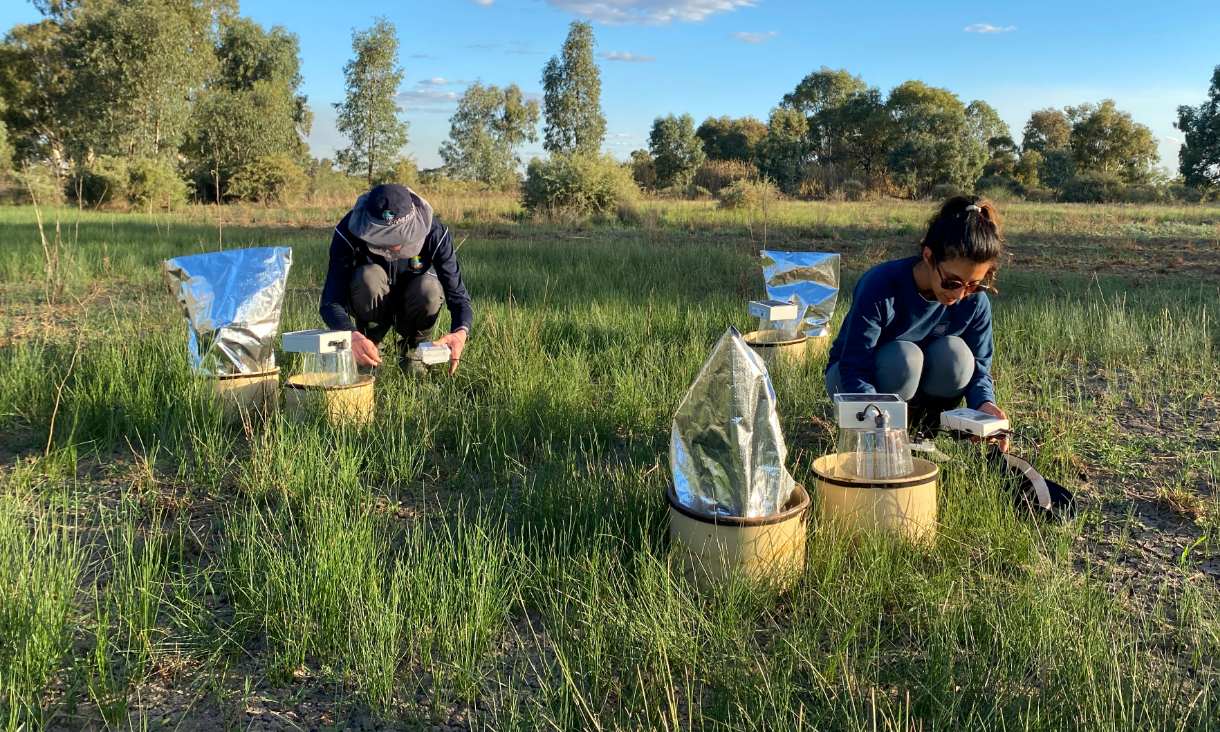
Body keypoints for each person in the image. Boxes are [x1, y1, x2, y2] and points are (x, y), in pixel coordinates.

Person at [825, 195, 1008, 447]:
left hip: (916, 389)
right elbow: (853, 367)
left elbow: (979, 369)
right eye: (952, 282)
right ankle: (882, 433)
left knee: (957, 355)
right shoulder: (880, 286)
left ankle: (922, 431)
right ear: (928, 256)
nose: (959, 294)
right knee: (905, 357)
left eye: (974, 284)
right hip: (852, 380)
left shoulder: (975, 302)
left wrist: (985, 404)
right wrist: (877, 422)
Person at [319, 184, 472, 375]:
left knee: (429, 288)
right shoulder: (348, 230)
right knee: (368, 277)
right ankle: (371, 345)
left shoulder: (435, 232)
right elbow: (330, 302)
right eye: (385, 238)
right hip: (370, 305)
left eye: (401, 235)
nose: (395, 246)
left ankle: (414, 348)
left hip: (414, 301)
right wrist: (351, 335)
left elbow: (458, 296)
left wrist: (460, 331)